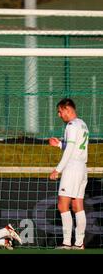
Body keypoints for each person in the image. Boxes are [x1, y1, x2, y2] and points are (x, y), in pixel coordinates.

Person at [48, 98, 89, 250]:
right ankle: (79, 244)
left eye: (60, 111)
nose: (59, 115)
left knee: (62, 204)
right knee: (77, 205)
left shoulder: (71, 125)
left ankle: (66, 243)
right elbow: (75, 145)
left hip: (72, 168)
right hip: (82, 167)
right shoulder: (82, 124)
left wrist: (57, 170)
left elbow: (70, 150)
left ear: (67, 109)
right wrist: (59, 144)